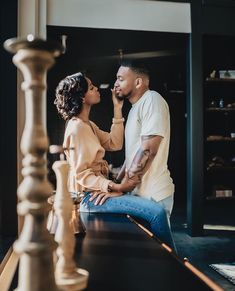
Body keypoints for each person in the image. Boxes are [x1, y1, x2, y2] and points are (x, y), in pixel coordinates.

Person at [54, 72, 176, 250]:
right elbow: (81, 174)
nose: (97, 89)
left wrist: (117, 109)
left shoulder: (88, 125)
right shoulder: (77, 127)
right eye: (91, 87)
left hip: (94, 194)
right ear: (82, 96)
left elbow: (115, 143)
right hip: (88, 198)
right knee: (156, 212)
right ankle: (174, 264)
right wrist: (113, 187)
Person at [113, 59, 175, 221]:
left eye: (121, 79)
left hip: (153, 196)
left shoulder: (152, 100)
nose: (115, 84)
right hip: (139, 195)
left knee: (158, 247)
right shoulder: (135, 108)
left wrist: (126, 184)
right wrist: (116, 182)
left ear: (138, 82)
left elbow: (147, 150)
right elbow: (133, 154)